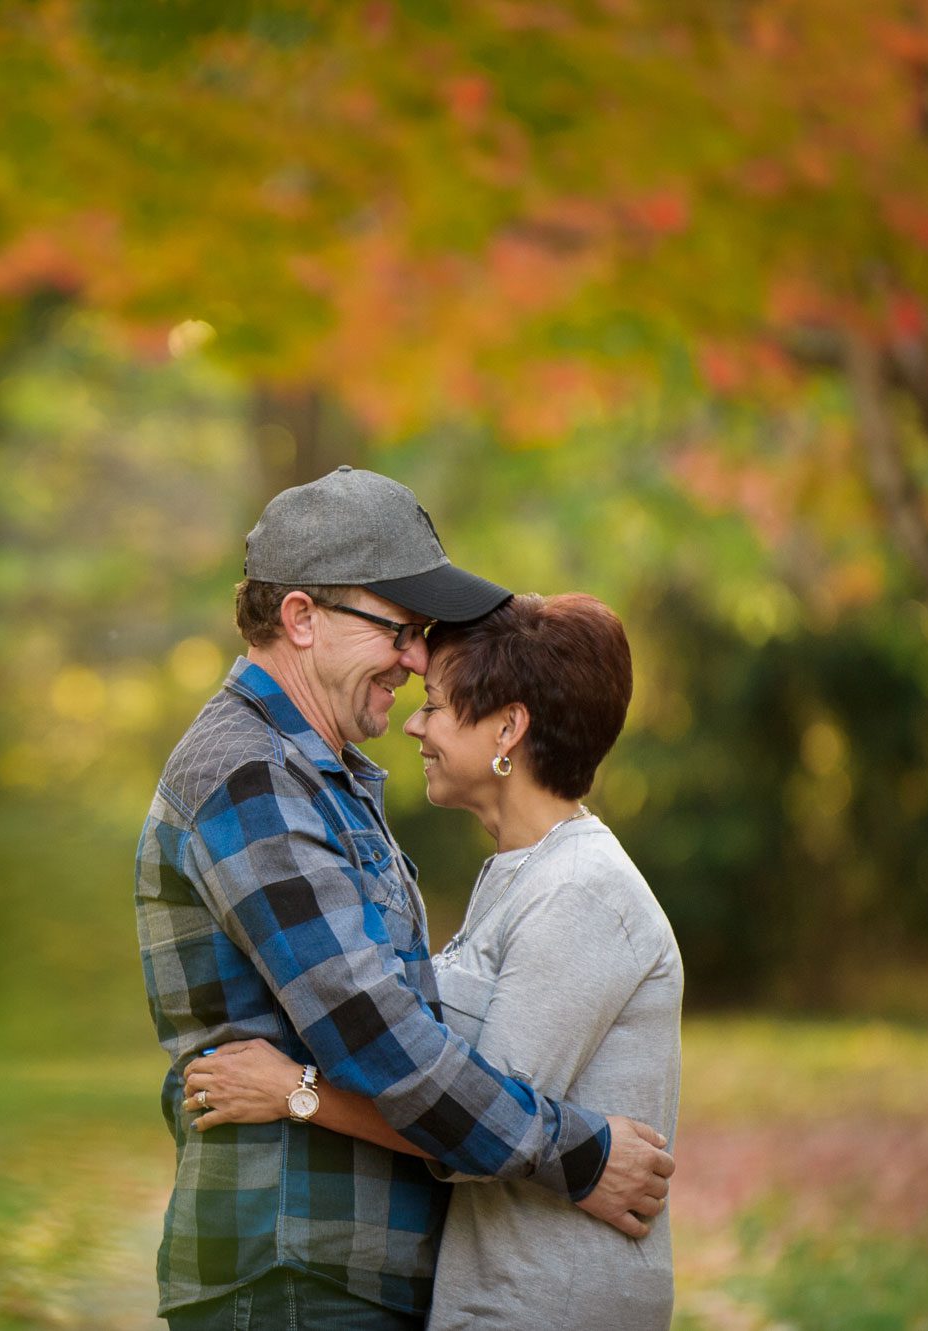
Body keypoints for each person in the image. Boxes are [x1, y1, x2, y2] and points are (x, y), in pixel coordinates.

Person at [136, 467, 673, 1331]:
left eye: (422, 634)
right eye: (399, 627)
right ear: (302, 617)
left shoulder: (320, 776)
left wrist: (296, 1088)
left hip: (341, 1273)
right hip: (296, 1274)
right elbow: (381, 1037)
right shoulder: (250, 778)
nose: (419, 659)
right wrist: (582, 1154)